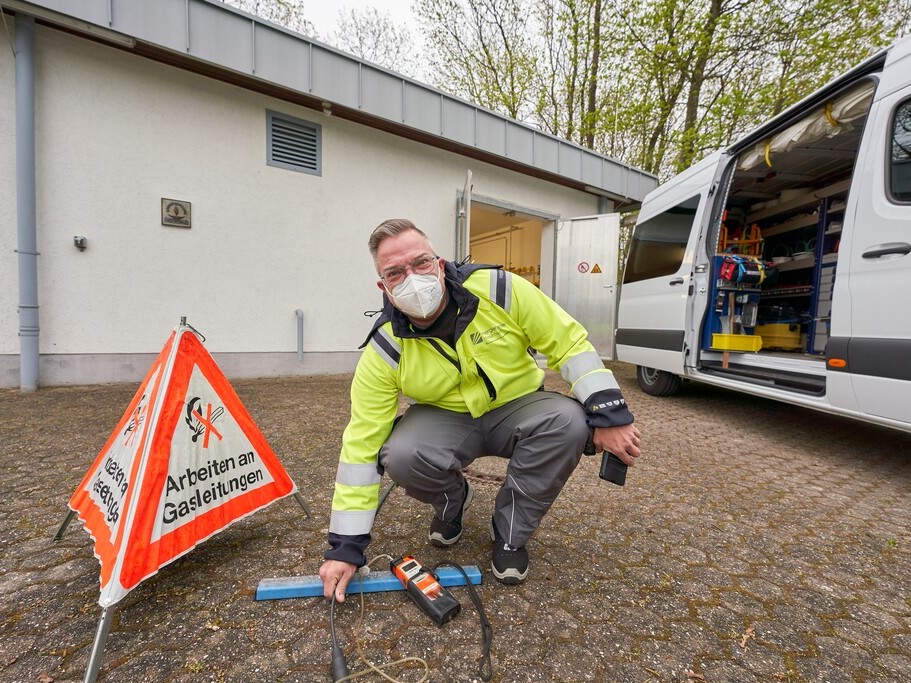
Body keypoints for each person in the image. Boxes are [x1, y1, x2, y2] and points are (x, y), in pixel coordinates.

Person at [320, 219, 641, 601]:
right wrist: (345, 547)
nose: (412, 277)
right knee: (400, 454)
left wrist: (609, 414)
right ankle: (452, 499)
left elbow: (568, 343)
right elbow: (361, 443)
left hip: (517, 405)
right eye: (395, 272)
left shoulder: (500, 290)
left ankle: (510, 534)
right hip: (445, 418)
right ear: (384, 288)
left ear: (439, 264)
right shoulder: (386, 347)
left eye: (421, 263)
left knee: (569, 422)